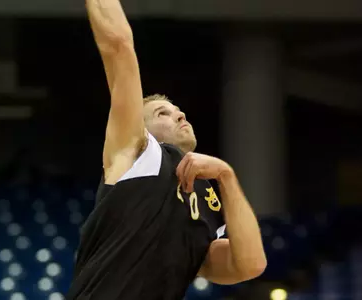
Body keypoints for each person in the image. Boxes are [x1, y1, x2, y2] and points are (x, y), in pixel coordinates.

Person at [66, 0, 267, 299]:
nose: (179, 116)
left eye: (178, 111)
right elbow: (119, 47)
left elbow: (250, 265)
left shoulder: (207, 202)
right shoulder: (136, 153)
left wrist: (227, 177)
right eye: (162, 113)